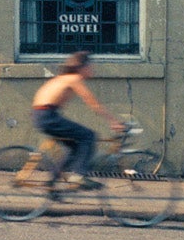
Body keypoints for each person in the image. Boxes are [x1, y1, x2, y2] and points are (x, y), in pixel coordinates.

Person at [25, 51, 122, 187]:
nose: (92, 69)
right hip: (47, 116)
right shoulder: (73, 78)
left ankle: (53, 181)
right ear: (81, 67)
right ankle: (78, 176)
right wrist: (113, 121)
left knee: (75, 148)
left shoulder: (63, 78)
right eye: (90, 66)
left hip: (43, 115)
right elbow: (92, 102)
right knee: (88, 135)